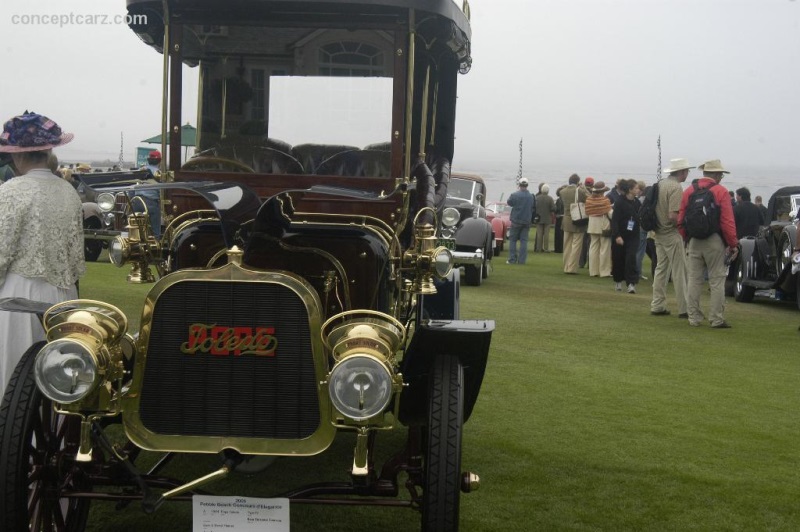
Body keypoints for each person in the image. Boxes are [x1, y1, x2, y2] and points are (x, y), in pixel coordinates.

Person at [0, 111, 85, 398]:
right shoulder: (69, 192)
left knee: (15, 370)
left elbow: (1, 252)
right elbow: (76, 258)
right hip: (63, 296)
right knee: (56, 372)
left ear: (18, 156)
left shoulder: (10, 192)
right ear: (47, 151)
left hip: (19, 297)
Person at [678, 159, 738, 328]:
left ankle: (693, 317)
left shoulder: (689, 191)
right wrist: (733, 243)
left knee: (694, 279)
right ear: (717, 175)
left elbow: (681, 219)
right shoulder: (721, 192)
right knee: (717, 280)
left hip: (694, 240)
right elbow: (727, 221)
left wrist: (686, 238)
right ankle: (716, 318)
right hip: (714, 240)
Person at [650, 158, 692, 317]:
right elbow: (674, 215)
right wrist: (685, 227)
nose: (687, 173)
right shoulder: (675, 188)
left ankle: (657, 304)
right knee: (680, 271)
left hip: (658, 232)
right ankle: (684, 308)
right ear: (681, 172)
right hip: (671, 233)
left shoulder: (660, 184)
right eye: (687, 171)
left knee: (661, 269)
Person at [611, 179, 641, 292]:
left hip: (633, 235)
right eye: (636, 188)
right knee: (618, 258)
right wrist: (617, 235)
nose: (638, 190)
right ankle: (618, 281)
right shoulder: (619, 202)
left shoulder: (637, 202)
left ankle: (631, 283)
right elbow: (614, 220)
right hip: (620, 234)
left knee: (631, 258)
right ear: (630, 189)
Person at [559, 174, 588, 274]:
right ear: (578, 181)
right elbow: (589, 198)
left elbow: (558, 191)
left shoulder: (562, 191)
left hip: (566, 219)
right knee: (576, 245)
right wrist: (583, 188)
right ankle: (571, 267)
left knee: (566, 244)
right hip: (577, 219)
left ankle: (566, 266)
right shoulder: (580, 191)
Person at [585, 181, 613, 277]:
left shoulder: (588, 200)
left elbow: (587, 212)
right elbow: (610, 213)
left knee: (593, 247)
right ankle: (604, 271)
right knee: (605, 248)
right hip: (603, 224)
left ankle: (593, 271)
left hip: (592, 225)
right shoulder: (605, 200)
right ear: (602, 191)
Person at [133, 149, 163, 238]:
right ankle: (156, 242)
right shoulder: (159, 173)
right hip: (151, 203)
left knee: (136, 229)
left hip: (136, 201)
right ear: (159, 161)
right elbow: (161, 191)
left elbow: (132, 188)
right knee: (155, 230)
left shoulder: (140, 170)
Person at [506, 177, 534, 264]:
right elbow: (532, 207)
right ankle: (522, 261)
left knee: (513, 240)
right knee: (524, 241)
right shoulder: (531, 196)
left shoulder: (515, 195)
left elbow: (509, 202)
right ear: (527, 185)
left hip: (516, 220)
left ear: (519, 185)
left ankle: (512, 259)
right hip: (526, 221)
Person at [578, 176, 594, 269]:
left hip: (584, 218)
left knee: (583, 242)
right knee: (591, 243)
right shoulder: (593, 193)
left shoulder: (580, 191)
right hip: (590, 218)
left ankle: (581, 262)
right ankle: (590, 263)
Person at [534, 184, 555, 252]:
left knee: (539, 234)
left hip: (539, 218)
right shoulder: (550, 198)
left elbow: (534, 207)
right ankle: (546, 248)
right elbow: (553, 208)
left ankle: (538, 248)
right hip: (547, 218)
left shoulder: (537, 198)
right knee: (546, 234)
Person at [554, 185, 565, 253]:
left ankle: (558, 249)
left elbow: (557, 209)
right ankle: (561, 248)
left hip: (559, 218)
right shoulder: (564, 200)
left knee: (558, 234)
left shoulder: (559, 200)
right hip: (563, 217)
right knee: (562, 234)